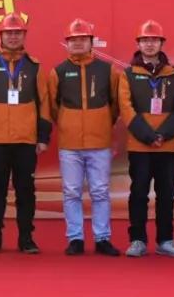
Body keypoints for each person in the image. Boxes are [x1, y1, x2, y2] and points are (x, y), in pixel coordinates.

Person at [0, 12, 51, 254]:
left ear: (24, 35)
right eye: (9, 33)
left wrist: (43, 137)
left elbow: (44, 103)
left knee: (26, 191)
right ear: (1, 35)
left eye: (17, 33)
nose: (13, 37)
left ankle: (26, 238)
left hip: (26, 141)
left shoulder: (35, 66)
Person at [47, 18, 121, 256]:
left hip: (100, 142)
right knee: (71, 192)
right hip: (69, 144)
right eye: (73, 39)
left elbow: (116, 104)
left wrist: (101, 121)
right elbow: (53, 106)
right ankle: (75, 238)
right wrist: (68, 122)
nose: (78, 43)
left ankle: (102, 238)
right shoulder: (58, 72)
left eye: (83, 39)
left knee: (100, 191)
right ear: (66, 43)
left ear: (91, 42)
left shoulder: (107, 70)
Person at [117, 20, 174, 258]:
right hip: (140, 145)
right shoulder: (128, 74)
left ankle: (165, 240)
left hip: (167, 145)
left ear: (161, 43)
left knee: (166, 194)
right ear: (138, 44)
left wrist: (163, 134)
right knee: (138, 193)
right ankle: (137, 240)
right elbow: (126, 108)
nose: (149, 44)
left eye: (154, 40)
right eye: (145, 40)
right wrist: (148, 136)